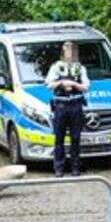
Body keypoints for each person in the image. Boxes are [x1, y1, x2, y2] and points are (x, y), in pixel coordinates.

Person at [45, 40, 89, 177]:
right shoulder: (56, 67)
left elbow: (86, 86)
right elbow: (49, 84)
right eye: (67, 50)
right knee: (59, 138)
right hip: (61, 105)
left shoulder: (80, 68)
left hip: (76, 105)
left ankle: (75, 168)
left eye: (72, 50)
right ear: (63, 52)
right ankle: (59, 168)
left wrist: (74, 84)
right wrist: (62, 83)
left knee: (76, 138)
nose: (70, 53)